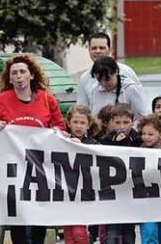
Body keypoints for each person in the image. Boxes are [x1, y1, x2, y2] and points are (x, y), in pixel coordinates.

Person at [0, 56, 65, 244]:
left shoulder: (46, 99)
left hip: (40, 169)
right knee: (17, 218)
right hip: (13, 170)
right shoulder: (0, 101)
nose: (19, 76)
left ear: (32, 75)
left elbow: (60, 127)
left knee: (38, 218)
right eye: (14, 73)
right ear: (9, 79)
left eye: (22, 72)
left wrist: (56, 132)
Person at [101, 104, 140, 243]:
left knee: (129, 231)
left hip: (131, 191)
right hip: (112, 191)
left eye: (126, 122)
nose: (121, 126)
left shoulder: (138, 139)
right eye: (117, 122)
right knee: (112, 231)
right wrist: (118, 143)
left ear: (133, 121)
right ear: (111, 122)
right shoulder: (106, 140)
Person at [63, 105, 100, 244]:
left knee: (79, 232)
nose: (79, 126)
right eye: (75, 122)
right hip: (65, 194)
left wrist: (80, 147)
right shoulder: (61, 140)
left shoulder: (94, 144)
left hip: (84, 195)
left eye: (83, 123)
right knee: (68, 233)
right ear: (68, 123)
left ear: (89, 125)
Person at [137, 114, 161, 244]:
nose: (145, 137)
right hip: (147, 200)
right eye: (143, 133)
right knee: (149, 234)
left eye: (150, 134)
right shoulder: (138, 151)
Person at [77, 32, 140, 102]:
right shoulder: (85, 78)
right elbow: (82, 107)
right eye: (94, 48)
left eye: (102, 48)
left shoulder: (126, 72)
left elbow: (139, 99)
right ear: (89, 50)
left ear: (110, 50)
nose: (98, 51)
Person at [81, 56, 149, 119]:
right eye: (99, 80)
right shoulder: (94, 89)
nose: (103, 83)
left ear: (116, 72)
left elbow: (141, 118)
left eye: (107, 79)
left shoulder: (131, 89)